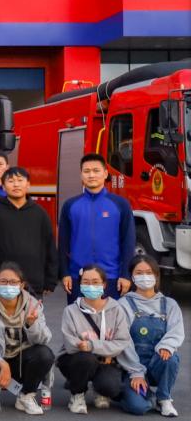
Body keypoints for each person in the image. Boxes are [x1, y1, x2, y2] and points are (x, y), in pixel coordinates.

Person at [57, 264, 147, 415]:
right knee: (86, 359)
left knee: (111, 386)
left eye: (95, 282)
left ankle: (100, 389)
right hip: (76, 360)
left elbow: (122, 341)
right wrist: (105, 349)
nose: (91, 286)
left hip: (107, 360)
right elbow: (71, 344)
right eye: (86, 282)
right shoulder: (70, 311)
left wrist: (92, 346)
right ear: (80, 285)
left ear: (104, 284)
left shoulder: (116, 309)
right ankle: (77, 394)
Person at [0, 263, 54, 415]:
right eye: (3, 281)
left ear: (22, 285)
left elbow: (45, 339)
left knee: (45, 354)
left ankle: (26, 395)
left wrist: (31, 324)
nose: (8, 286)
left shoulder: (33, 305)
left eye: (13, 282)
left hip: (22, 362)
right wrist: (1, 363)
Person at [59, 153, 135, 303]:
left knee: (111, 318)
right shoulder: (70, 205)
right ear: (81, 175)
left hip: (111, 277)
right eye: (86, 171)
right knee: (78, 317)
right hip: (78, 277)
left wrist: (125, 274)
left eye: (96, 170)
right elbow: (62, 243)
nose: (91, 175)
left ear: (105, 173)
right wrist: (64, 273)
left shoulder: (120, 204)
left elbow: (128, 241)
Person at [118, 255, 183, 417]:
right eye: (139, 273)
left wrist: (166, 346)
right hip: (131, 366)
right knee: (138, 408)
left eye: (149, 272)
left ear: (156, 275)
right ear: (132, 277)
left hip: (156, 364)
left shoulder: (169, 304)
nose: (145, 277)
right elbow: (123, 340)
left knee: (171, 357)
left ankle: (164, 398)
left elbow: (176, 331)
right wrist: (136, 372)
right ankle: (129, 393)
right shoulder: (124, 304)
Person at [0, 167, 57, 300]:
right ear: (3, 187)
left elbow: (49, 247)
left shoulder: (40, 213)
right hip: (0, 284)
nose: (16, 184)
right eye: (11, 181)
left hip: (32, 283)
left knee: (31, 314)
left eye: (20, 180)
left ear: (28, 185)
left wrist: (51, 279)